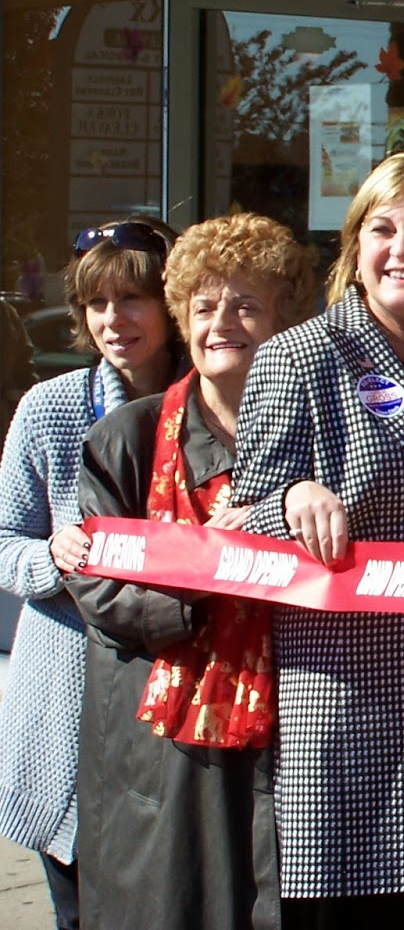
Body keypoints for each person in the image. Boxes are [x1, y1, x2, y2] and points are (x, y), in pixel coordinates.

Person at [231, 152, 404, 928]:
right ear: (355, 245)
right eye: (383, 229)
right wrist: (292, 498)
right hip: (357, 692)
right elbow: (240, 513)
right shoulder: (301, 356)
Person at [54, 213, 318, 930]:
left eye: (246, 305)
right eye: (204, 306)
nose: (222, 323)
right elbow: (102, 588)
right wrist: (211, 574)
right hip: (166, 756)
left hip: (294, 742)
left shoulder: (319, 442)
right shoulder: (126, 439)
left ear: (284, 320)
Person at [0, 216, 181, 930]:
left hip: (175, 702)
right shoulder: (49, 408)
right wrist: (53, 556)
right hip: (67, 706)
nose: (115, 320)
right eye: (97, 303)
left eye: (133, 299)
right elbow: (4, 541)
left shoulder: (212, 404)